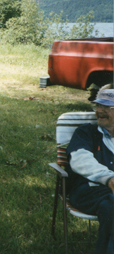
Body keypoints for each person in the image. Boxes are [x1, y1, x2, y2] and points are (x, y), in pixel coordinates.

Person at [66, 85, 114, 254]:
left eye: (107, 107)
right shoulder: (86, 132)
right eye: (98, 105)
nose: (100, 111)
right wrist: (108, 178)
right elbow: (80, 160)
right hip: (87, 189)